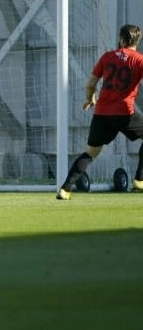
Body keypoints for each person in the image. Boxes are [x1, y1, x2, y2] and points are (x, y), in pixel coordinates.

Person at [57, 24, 143, 200]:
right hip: (125, 113)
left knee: (90, 153)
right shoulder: (139, 60)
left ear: (121, 39)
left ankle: (65, 189)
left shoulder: (107, 57)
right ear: (138, 40)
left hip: (102, 114)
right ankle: (140, 180)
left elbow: (89, 84)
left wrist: (90, 98)